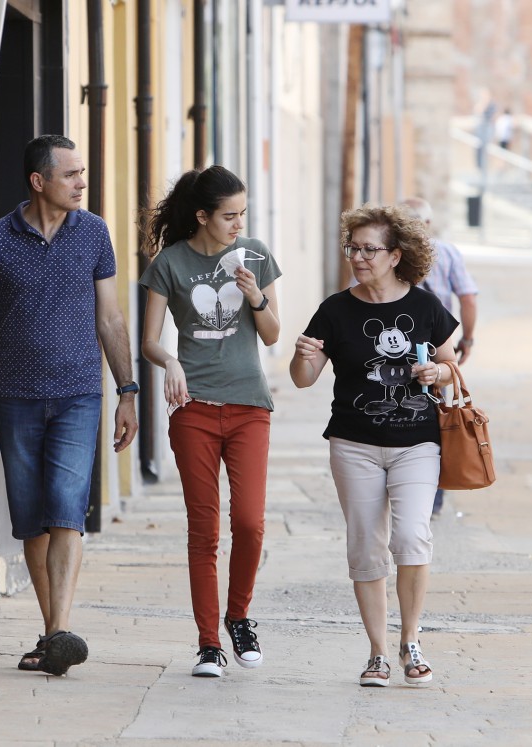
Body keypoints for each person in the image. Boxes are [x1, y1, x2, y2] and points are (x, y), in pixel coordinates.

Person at [0, 134, 138, 676]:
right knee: (33, 522)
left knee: (66, 510)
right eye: (71, 175)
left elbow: (111, 319)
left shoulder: (94, 233)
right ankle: (53, 632)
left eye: (82, 173)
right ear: (39, 182)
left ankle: (57, 632)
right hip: (16, 398)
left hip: (80, 394)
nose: (82, 182)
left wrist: (127, 392)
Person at [291, 204, 460, 688]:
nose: (359, 258)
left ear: (395, 255)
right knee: (366, 547)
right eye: (353, 248)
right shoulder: (335, 309)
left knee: (411, 538)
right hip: (353, 444)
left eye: (370, 250)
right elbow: (303, 381)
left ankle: (411, 640)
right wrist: (304, 357)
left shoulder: (425, 306)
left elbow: (452, 366)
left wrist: (437, 372)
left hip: (416, 444)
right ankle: (377, 653)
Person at [139, 165, 282, 678]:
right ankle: (207, 644)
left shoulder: (256, 255)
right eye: (228, 216)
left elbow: (271, 335)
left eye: (242, 213)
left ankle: (238, 616)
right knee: (204, 529)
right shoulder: (169, 264)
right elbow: (150, 339)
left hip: (249, 407)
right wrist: (171, 362)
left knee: (249, 522)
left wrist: (255, 296)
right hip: (193, 410)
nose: (238, 224)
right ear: (202, 216)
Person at [402, 196, 478, 518]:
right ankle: (432, 498)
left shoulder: (387, 253)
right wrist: (467, 338)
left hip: (398, 345)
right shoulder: (446, 252)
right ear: (428, 224)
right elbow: (468, 298)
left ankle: (413, 489)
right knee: (439, 419)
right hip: (436, 346)